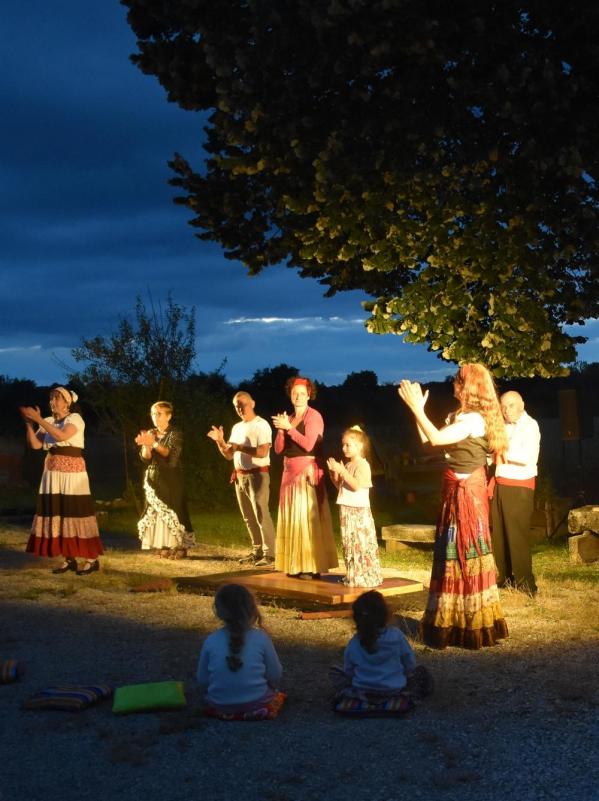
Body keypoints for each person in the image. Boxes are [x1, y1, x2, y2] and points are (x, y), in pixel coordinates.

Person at [398, 363, 509, 650]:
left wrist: (418, 408)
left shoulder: (474, 421)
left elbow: (435, 437)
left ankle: (473, 624)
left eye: (459, 381)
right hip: (452, 491)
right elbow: (429, 443)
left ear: (469, 386)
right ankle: (451, 620)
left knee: (466, 554)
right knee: (449, 554)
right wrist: (416, 412)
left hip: (467, 495)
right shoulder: (459, 416)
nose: (454, 384)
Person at [19, 386, 103, 575]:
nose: (52, 402)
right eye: (51, 398)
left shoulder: (75, 419)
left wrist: (38, 419)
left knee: (76, 511)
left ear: (67, 403)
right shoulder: (48, 421)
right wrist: (29, 424)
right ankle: (69, 558)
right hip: (53, 473)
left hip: (72, 473)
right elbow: (35, 444)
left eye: (57, 398)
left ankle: (91, 559)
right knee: (59, 512)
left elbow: (62, 436)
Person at [272, 376, 338, 579]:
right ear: (290, 395)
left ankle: (311, 565)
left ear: (309, 394)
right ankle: (295, 564)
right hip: (288, 473)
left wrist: (289, 429)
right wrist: (282, 430)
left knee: (305, 519)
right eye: (294, 393)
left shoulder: (314, 416)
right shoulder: (289, 417)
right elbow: (278, 449)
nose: (298, 396)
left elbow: (309, 444)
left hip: (306, 474)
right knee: (293, 519)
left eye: (302, 393)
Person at [330, 590, 432, 713]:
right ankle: (400, 698)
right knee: (421, 672)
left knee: (336, 672)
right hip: (394, 689)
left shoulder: (354, 642)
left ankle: (360, 698)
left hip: (362, 690)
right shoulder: (396, 636)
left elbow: (349, 670)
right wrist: (405, 675)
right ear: (386, 614)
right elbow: (409, 663)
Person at [196, 583, 285, 720]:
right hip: (257, 702)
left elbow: (202, 679)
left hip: (219, 704)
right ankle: (255, 710)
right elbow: (275, 674)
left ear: (218, 611)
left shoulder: (211, 640)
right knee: (276, 695)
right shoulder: (261, 638)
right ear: (252, 609)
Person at [207, 391, 276, 567]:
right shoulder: (237, 427)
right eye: (237, 405)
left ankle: (271, 554)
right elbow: (229, 455)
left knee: (261, 513)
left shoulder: (261, 425)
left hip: (257, 474)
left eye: (242, 404)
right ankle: (257, 550)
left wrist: (240, 447)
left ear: (252, 403)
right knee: (248, 516)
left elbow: (262, 452)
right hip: (240, 476)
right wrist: (220, 441)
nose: (240, 408)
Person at [491, 391, 540, 594]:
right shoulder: (502, 426)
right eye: (503, 406)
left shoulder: (531, 426)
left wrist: (500, 452)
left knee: (517, 535)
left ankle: (525, 584)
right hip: (500, 483)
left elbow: (526, 456)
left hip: (519, 486)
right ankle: (503, 578)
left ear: (522, 404)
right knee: (499, 535)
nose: (506, 410)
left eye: (510, 405)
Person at [135, 401, 196, 559]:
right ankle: (164, 544)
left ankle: (181, 546)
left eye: (160, 413)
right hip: (154, 477)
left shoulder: (175, 432)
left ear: (169, 416)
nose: (156, 417)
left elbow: (169, 454)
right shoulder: (151, 432)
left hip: (171, 477)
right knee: (157, 511)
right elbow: (146, 458)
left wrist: (153, 443)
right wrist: (147, 446)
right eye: (153, 413)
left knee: (176, 510)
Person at [327, 426, 383, 588]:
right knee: (349, 543)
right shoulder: (348, 464)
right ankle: (353, 573)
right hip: (346, 508)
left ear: (359, 446)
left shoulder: (362, 465)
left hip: (358, 511)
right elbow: (341, 486)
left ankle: (364, 575)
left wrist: (342, 471)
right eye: (343, 445)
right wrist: (334, 473)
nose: (344, 448)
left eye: (348, 445)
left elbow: (357, 485)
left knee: (360, 543)